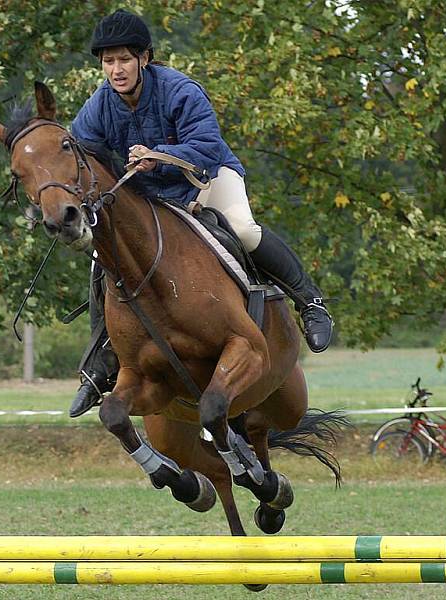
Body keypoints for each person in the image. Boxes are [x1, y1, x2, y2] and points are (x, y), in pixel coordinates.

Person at [68, 9, 333, 417]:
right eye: (108, 61)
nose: (116, 69)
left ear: (144, 58)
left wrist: (161, 156)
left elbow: (208, 145)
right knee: (103, 259)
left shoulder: (180, 90)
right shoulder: (99, 105)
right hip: (150, 197)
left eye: (123, 59)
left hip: (204, 179)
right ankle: (100, 363)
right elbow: (79, 154)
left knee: (242, 230)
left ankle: (310, 301)